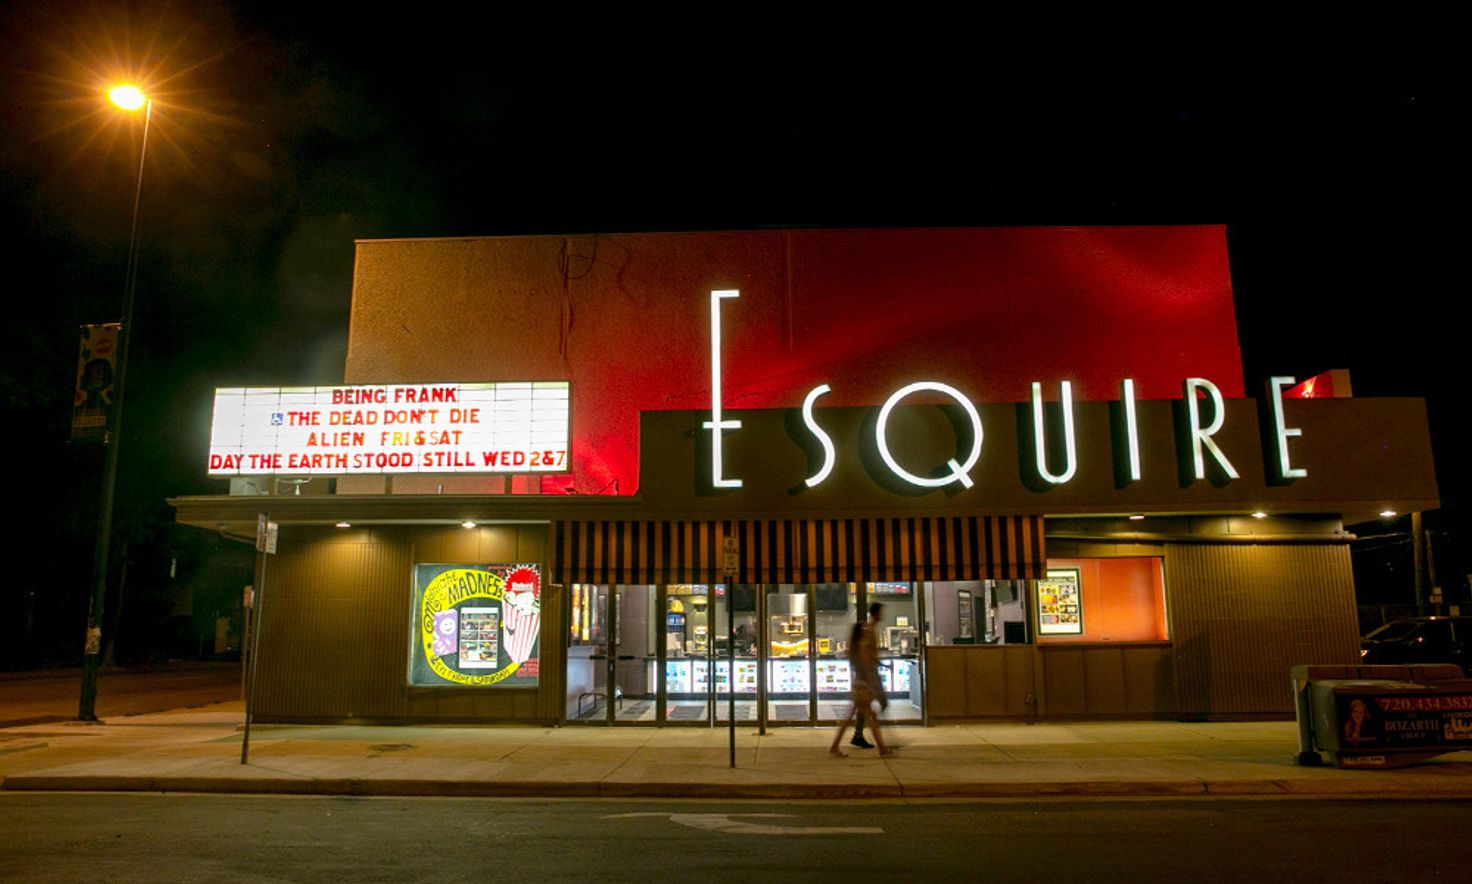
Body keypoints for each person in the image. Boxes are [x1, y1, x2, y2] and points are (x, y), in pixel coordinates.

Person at [831, 603, 891, 757]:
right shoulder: (869, 631)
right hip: (863, 682)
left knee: (859, 716)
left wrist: (878, 665)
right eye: (881, 612)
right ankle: (882, 748)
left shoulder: (865, 633)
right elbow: (866, 656)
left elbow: (866, 656)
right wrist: (870, 678)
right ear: (876, 613)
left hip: (860, 681)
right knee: (870, 716)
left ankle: (837, 745)